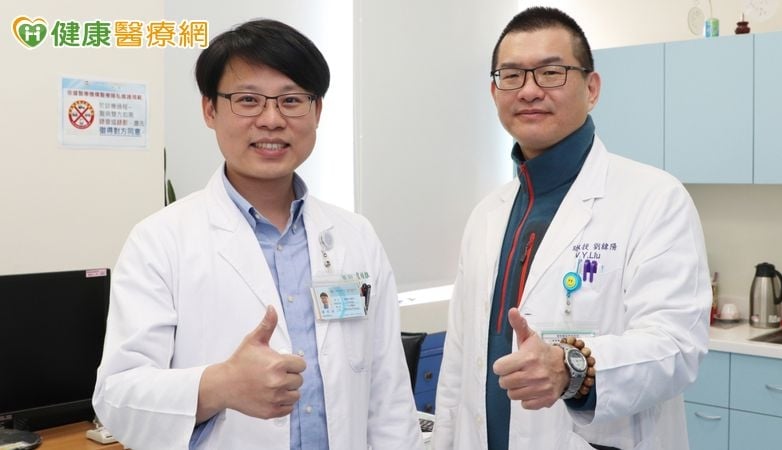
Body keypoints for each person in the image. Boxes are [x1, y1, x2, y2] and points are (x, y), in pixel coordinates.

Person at [92, 19, 423, 450]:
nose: (271, 120)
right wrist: (219, 385)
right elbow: (117, 396)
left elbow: (388, 392)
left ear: (317, 112)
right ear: (210, 110)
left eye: (291, 100)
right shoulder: (160, 241)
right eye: (248, 100)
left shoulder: (354, 236)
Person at [432, 7, 711, 450]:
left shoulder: (655, 198)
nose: (529, 91)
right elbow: (458, 366)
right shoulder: (486, 215)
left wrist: (571, 368)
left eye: (551, 72)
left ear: (591, 88)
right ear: (494, 91)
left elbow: (676, 346)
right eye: (512, 75)